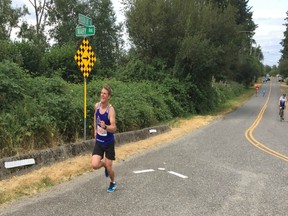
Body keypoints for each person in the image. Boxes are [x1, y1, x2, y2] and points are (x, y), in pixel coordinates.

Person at [91, 84, 117, 193]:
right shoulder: (96, 106)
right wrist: (95, 131)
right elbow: (95, 118)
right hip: (99, 142)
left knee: (110, 168)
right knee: (94, 165)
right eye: (101, 93)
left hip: (109, 142)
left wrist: (105, 127)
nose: (102, 95)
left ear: (108, 96)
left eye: (105, 93)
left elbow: (114, 128)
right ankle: (105, 166)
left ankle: (113, 182)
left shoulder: (110, 110)